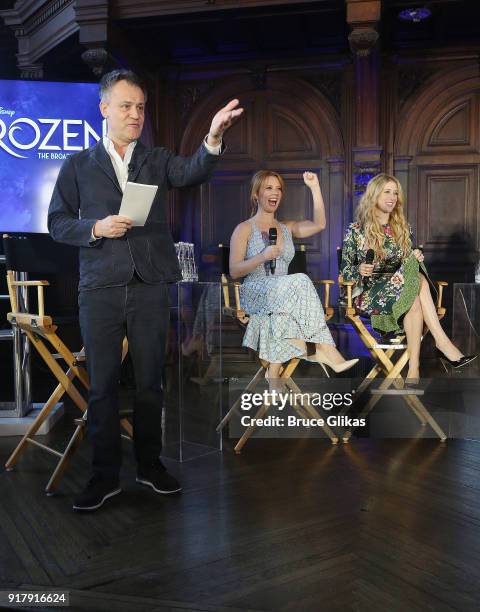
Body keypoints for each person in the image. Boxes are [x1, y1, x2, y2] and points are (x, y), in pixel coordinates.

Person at [48, 69, 243, 511]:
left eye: (140, 107)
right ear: (104, 109)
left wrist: (212, 137)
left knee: (151, 383)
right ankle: (103, 476)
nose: (135, 114)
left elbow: (193, 170)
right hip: (98, 286)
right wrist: (95, 227)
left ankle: (149, 465)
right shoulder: (77, 165)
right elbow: (56, 222)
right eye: (126, 106)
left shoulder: (156, 159)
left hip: (151, 284)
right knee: (101, 387)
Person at [340, 173, 476, 384]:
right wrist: (360, 270)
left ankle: (414, 369)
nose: (392, 197)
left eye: (395, 193)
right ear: (374, 194)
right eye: (387, 192)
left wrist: (415, 257)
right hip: (370, 295)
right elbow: (344, 271)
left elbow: (407, 267)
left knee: (414, 292)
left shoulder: (403, 229)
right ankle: (442, 343)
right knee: (417, 275)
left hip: (403, 292)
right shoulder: (356, 231)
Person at [229, 170, 358, 380]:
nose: (275, 192)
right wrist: (261, 256)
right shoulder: (244, 229)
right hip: (255, 290)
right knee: (300, 279)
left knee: (286, 310)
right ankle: (325, 350)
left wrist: (315, 187)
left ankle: (273, 372)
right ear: (256, 194)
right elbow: (234, 270)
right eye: (269, 188)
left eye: (278, 188)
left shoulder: (286, 228)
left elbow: (320, 224)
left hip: (283, 295)